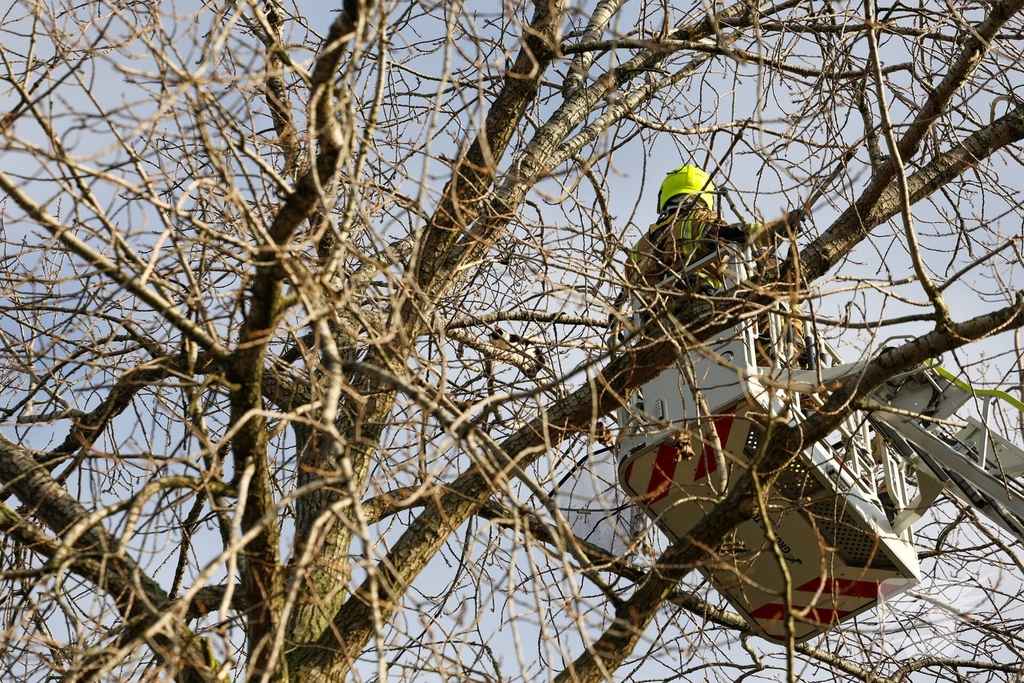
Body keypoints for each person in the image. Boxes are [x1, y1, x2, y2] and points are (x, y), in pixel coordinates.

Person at [629, 164, 791, 292]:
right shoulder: (697, 218)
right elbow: (735, 233)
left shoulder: (638, 248)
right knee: (768, 271)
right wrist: (776, 229)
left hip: (654, 324)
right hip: (701, 303)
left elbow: (626, 293)